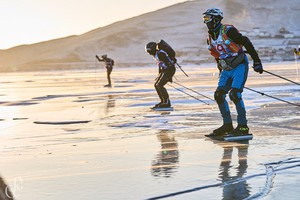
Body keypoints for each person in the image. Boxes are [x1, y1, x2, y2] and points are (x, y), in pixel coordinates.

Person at [203, 8, 263, 137]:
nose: (205, 21)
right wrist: (220, 69)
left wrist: (257, 61)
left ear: (216, 19)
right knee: (219, 95)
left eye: (207, 18)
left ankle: (242, 127)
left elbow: (246, 42)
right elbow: (217, 55)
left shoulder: (228, 30)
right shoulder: (209, 37)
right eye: (204, 19)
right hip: (227, 68)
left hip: (239, 65)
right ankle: (227, 125)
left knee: (234, 94)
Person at [145, 41, 176, 108]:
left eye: (149, 51)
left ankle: (167, 102)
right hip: (165, 71)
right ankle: (163, 101)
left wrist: (168, 75)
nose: (148, 53)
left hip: (169, 70)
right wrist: (160, 75)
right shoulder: (156, 54)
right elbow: (161, 65)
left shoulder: (160, 54)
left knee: (159, 85)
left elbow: (168, 63)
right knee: (156, 85)